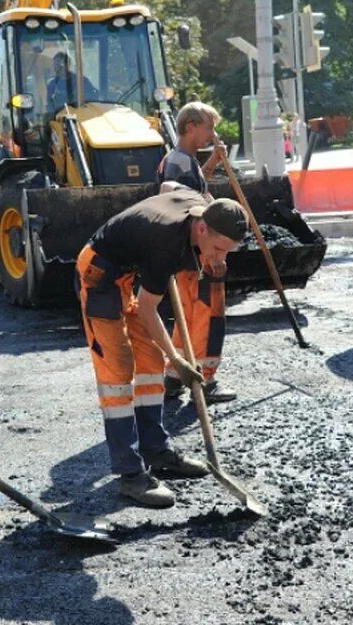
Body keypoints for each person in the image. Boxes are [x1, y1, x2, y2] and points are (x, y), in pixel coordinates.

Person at [76, 189, 248, 507]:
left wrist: (167, 357)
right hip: (99, 274)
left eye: (228, 252)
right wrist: (178, 360)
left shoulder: (203, 208)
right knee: (118, 369)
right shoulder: (166, 242)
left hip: (128, 273)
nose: (220, 258)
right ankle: (131, 475)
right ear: (200, 228)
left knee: (150, 361)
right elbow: (147, 308)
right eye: (218, 249)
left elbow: (170, 187)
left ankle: (156, 451)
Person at [157, 102, 236, 404]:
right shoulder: (182, 163)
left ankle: (176, 375)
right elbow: (193, 209)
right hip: (198, 252)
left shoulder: (178, 160)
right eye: (209, 128)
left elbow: (195, 190)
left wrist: (214, 161)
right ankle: (206, 379)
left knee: (187, 316)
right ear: (190, 126)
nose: (212, 135)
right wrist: (214, 255)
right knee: (207, 314)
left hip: (183, 253)